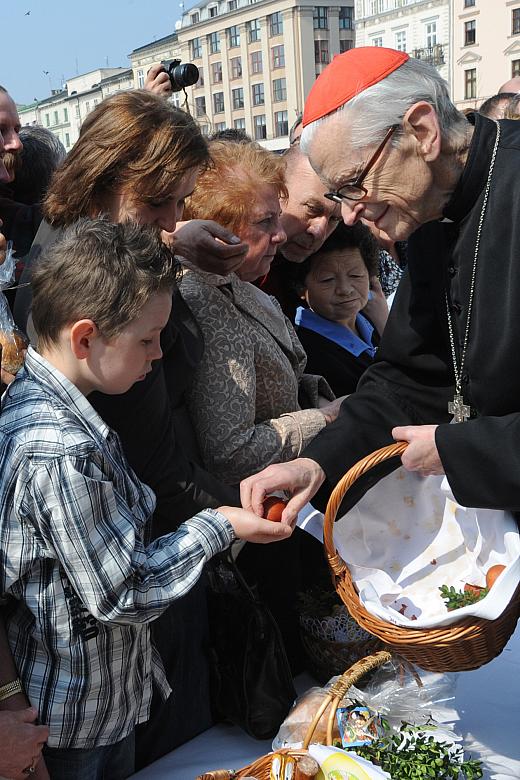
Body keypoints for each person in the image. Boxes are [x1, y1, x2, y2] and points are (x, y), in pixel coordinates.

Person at [0, 218, 291, 780]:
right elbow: (120, 591)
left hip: (94, 704)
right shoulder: (62, 452)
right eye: (146, 338)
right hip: (73, 725)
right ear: (85, 338)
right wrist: (220, 526)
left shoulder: (55, 410)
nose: (158, 353)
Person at [9, 89, 241, 768]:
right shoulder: (89, 307)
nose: (173, 221)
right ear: (105, 181)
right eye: (160, 203)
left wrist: (173, 240)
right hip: (141, 584)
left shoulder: (88, 253)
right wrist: (223, 527)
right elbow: (154, 464)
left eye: (182, 205)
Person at [240, 46, 520, 539]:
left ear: (422, 132)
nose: (348, 216)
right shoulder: (432, 209)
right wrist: (318, 465)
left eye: (354, 184)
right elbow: (409, 377)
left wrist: (466, 451)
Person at [181, 139, 342, 485]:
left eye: (277, 218)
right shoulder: (207, 299)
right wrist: (325, 418)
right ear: (216, 225)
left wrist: (327, 400)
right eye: (265, 222)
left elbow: (286, 381)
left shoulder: (238, 284)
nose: (281, 235)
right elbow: (232, 453)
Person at [292, 222, 386, 397]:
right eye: (327, 279)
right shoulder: (305, 350)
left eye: (356, 275)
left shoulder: (373, 320)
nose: (345, 289)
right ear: (300, 287)